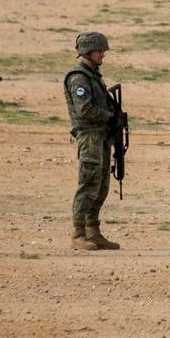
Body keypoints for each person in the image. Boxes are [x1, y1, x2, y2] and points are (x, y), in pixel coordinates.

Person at [63, 32, 121, 251]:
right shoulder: (79, 77)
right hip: (89, 136)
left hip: (101, 136)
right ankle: (78, 233)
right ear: (88, 51)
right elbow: (84, 109)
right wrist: (108, 115)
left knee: (102, 185)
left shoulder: (93, 75)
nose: (103, 55)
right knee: (89, 184)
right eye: (100, 51)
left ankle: (93, 230)